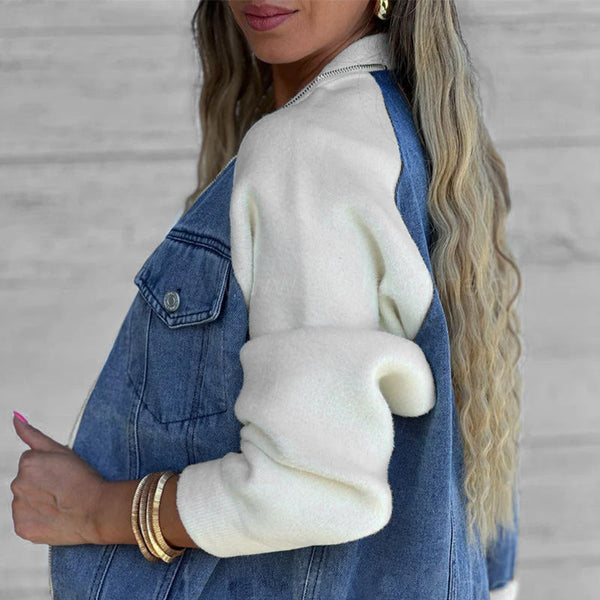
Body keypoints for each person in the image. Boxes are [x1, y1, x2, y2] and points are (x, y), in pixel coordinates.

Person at [10, 1, 522, 598]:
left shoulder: (310, 147)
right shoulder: (423, 132)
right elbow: (479, 490)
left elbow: (316, 486)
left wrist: (94, 509)